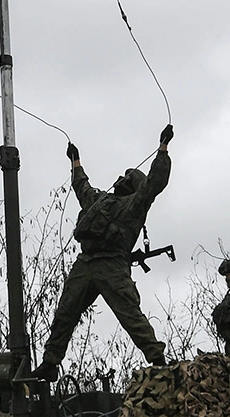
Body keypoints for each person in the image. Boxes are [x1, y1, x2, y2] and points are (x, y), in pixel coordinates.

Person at [28, 124, 175, 381]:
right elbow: (81, 187)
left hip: (112, 264)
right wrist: (75, 161)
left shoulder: (135, 204)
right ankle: (50, 363)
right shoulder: (100, 201)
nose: (121, 179)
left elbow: (155, 182)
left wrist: (163, 148)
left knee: (129, 314)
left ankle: (157, 359)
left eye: (127, 178)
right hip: (86, 262)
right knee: (65, 313)